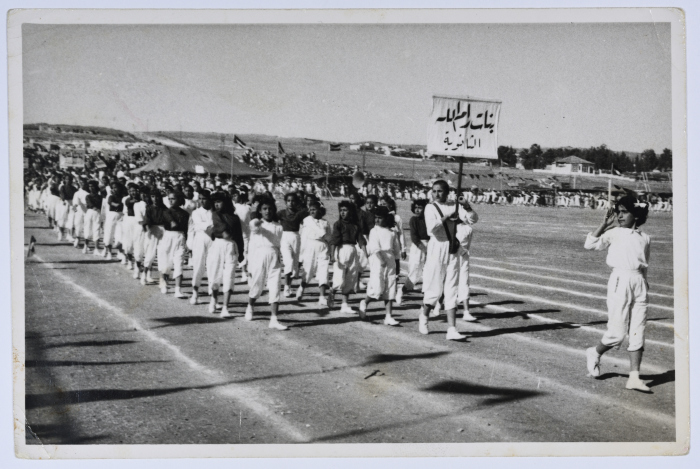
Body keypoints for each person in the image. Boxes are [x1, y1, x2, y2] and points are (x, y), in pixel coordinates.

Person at [584, 196, 652, 392]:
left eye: (624, 212)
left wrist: (644, 284)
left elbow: (645, 264)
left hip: (639, 283)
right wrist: (603, 225)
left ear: (637, 215)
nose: (619, 215)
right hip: (619, 281)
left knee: (638, 330)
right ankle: (594, 352)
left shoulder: (645, 238)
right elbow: (590, 244)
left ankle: (634, 377)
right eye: (618, 211)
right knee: (617, 333)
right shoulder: (614, 233)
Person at [419, 180, 478, 341]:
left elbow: (473, 220)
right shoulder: (430, 207)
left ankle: (452, 329)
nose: (436, 194)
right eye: (434, 191)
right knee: (435, 288)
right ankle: (424, 316)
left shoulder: (455, 205)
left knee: (452, 287)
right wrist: (446, 218)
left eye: (440, 191)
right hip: (437, 247)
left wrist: (466, 207)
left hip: (452, 246)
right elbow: (431, 228)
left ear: (447, 192)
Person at [245, 197, 288, 330]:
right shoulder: (257, 224)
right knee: (257, 285)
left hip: (274, 256)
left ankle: (274, 319)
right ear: (260, 211)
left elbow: (280, 243)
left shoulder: (279, 226)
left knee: (275, 287)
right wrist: (256, 215)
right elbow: (253, 225)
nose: (267, 211)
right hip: (259, 257)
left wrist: (283, 259)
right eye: (264, 209)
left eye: (270, 209)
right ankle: (250, 306)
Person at [359, 206, 402, 326]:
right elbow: (374, 247)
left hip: (390, 259)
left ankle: (388, 316)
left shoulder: (392, 232)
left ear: (386, 218)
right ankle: (364, 302)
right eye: (376, 218)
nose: (377, 220)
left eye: (380, 218)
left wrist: (396, 264)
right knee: (377, 287)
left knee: (390, 286)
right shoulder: (374, 231)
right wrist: (381, 260)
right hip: (377, 259)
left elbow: (396, 250)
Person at [206, 192, 245, 317]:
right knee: (214, 274)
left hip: (231, 247)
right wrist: (219, 232)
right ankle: (214, 299)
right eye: (215, 202)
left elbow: (239, 236)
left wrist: (241, 253)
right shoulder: (215, 214)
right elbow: (223, 230)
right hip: (218, 246)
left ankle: (225, 308)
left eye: (219, 201)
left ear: (226, 202)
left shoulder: (235, 218)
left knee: (229, 276)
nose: (217, 204)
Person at [329, 200, 365, 314]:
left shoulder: (355, 225)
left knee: (350, 278)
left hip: (353, 251)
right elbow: (334, 240)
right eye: (341, 210)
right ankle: (332, 291)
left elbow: (361, 240)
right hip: (341, 250)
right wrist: (332, 255)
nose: (342, 213)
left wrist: (365, 252)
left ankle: (344, 305)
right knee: (339, 279)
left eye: (345, 210)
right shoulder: (338, 224)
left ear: (351, 212)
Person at [297, 200, 331, 306]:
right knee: (309, 269)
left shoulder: (325, 222)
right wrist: (301, 255)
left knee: (323, 271)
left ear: (320, 210)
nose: (312, 211)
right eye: (310, 209)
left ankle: (322, 297)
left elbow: (329, 237)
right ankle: (302, 287)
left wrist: (330, 249)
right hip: (310, 246)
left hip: (323, 247)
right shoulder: (307, 220)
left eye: (314, 209)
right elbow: (320, 233)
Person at [158, 191, 190, 297]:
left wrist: (187, 243)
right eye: (169, 198)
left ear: (179, 200)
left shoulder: (185, 214)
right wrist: (172, 221)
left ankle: (178, 290)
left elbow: (186, 229)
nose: (171, 201)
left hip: (180, 238)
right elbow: (168, 218)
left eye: (173, 198)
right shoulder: (166, 211)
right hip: (168, 237)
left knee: (179, 263)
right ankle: (163, 283)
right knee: (166, 262)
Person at [278, 192, 309, 297]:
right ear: (286, 202)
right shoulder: (281, 213)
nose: (290, 203)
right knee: (289, 262)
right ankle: (286, 287)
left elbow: (316, 211)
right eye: (288, 201)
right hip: (284, 238)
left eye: (293, 201)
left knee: (295, 265)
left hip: (296, 237)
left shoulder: (300, 213)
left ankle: (289, 285)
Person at [189, 190, 214, 305]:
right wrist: (212, 225)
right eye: (200, 198)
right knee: (198, 266)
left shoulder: (214, 212)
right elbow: (203, 226)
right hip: (200, 240)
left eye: (204, 198)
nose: (202, 201)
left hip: (213, 240)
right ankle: (195, 294)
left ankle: (213, 297)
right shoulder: (196, 212)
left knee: (213, 267)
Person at [401, 199, 429, 295]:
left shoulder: (429, 219)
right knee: (414, 269)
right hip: (418, 247)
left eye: (420, 208)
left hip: (430, 245)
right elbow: (414, 238)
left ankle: (427, 293)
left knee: (428, 270)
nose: (417, 210)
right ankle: (403, 290)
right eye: (416, 208)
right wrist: (425, 250)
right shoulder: (414, 220)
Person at [142, 188, 167, 285]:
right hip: (152, 231)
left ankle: (162, 278)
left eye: (157, 197)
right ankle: (144, 275)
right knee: (150, 254)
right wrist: (149, 230)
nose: (155, 199)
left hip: (163, 231)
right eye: (153, 196)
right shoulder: (149, 208)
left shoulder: (164, 208)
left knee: (162, 254)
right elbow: (147, 221)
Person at [102, 182, 124, 260]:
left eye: (116, 188)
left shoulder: (123, 197)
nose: (114, 189)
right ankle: (109, 252)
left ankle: (120, 252)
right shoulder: (111, 196)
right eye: (113, 188)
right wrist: (121, 204)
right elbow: (113, 204)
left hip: (120, 216)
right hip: (111, 216)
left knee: (120, 235)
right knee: (109, 234)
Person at [82, 180, 103, 255]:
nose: (91, 188)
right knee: (87, 229)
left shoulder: (100, 197)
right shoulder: (88, 196)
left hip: (97, 213)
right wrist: (95, 207)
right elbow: (89, 204)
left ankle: (96, 249)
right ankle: (85, 246)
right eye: (90, 186)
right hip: (90, 212)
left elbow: (101, 206)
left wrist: (98, 209)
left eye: (92, 186)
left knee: (96, 230)